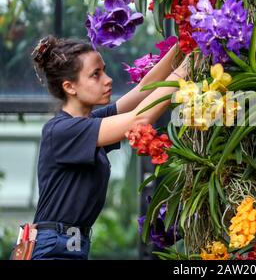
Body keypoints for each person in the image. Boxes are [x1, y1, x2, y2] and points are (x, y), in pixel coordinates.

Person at [28, 35, 189, 260]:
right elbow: (138, 119)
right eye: (96, 74)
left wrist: (186, 42)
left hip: (69, 245)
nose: (108, 79)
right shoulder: (62, 131)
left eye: (103, 70)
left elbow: (146, 87)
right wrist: (187, 68)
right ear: (69, 87)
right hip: (54, 248)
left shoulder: (89, 122)